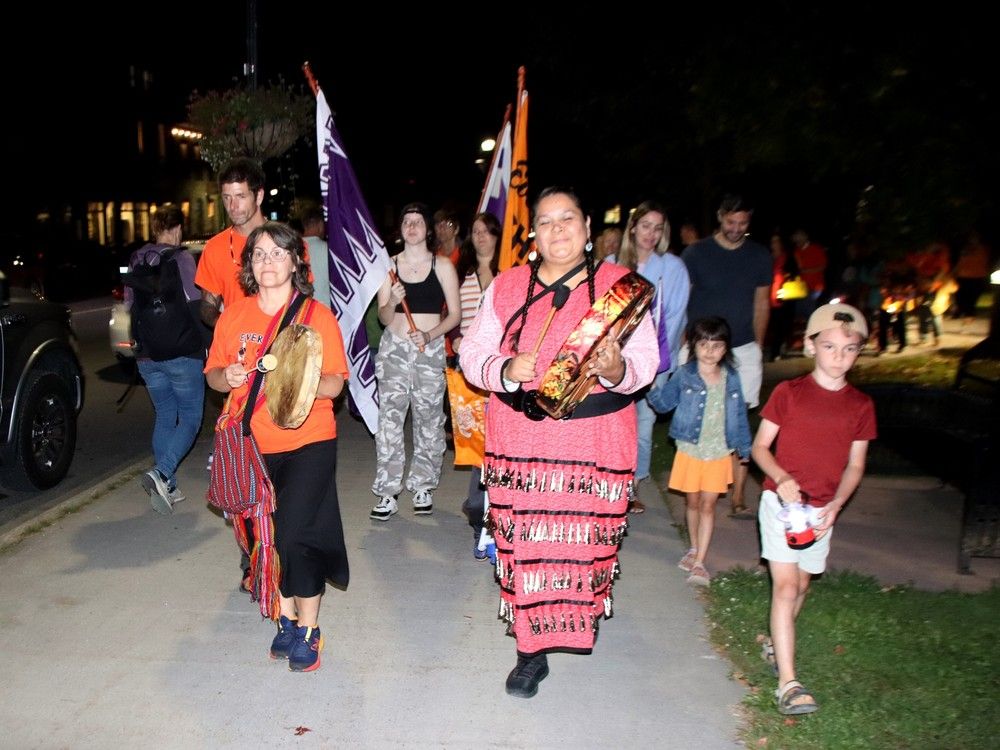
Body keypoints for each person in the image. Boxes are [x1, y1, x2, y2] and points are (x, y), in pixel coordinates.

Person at [460, 186, 659, 699]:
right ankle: (530, 651)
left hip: (594, 442)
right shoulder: (505, 288)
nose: (557, 230)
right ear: (533, 236)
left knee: (579, 547)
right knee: (526, 545)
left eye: (567, 219)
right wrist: (503, 368)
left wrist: (617, 369)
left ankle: (576, 617)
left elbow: (646, 362)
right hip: (521, 442)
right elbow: (471, 353)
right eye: (545, 222)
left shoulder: (622, 287)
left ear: (588, 226)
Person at [204, 221, 350, 673]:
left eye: (277, 253)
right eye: (259, 254)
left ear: (294, 262)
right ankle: (284, 621)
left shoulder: (316, 317)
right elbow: (212, 373)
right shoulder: (233, 315)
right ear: (249, 264)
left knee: (295, 534)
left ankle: (309, 630)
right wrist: (223, 377)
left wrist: (307, 382)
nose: (268, 261)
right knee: (264, 541)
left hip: (309, 441)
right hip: (252, 446)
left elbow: (335, 383)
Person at [751, 302, 876, 715]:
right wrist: (781, 476)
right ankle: (788, 682)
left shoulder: (860, 405)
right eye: (830, 346)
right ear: (811, 346)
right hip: (781, 504)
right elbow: (760, 448)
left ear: (859, 351)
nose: (839, 356)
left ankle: (775, 642)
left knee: (802, 587)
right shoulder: (789, 393)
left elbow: (856, 464)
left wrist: (838, 504)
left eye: (849, 349)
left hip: (821, 511)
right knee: (786, 587)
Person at [682, 194, 772, 518]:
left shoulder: (760, 256)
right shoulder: (697, 253)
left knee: (738, 421)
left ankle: (738, 496)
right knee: (698, 417)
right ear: (721, 217)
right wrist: (685, 342)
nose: (736, 228)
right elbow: (684, 298)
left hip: (743, 346)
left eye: (743, 223)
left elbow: (762, 304)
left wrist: (758, 347)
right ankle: (696, 489)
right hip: (701, 345)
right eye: (731, 222)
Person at [369, 203, 461, 520]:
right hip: (394, 347)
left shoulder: (443, 266)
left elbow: (456, 315)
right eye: (406, 221)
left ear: (427, 229)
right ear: (401, 228)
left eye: (418, 221)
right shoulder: (389, 267)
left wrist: (431, 335)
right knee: (390, 423)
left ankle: (422, 485)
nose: (412, 227)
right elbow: (382, 316)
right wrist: (392, 301)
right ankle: (387, 491)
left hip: (428, 348)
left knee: (429, 421)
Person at [647, 317, 751, 586]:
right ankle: (693, 548)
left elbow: (739, 414)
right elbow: (663, 404)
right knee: (692, 503)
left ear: (726, 348)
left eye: (717, 345)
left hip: (718, 451)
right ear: (694, 345)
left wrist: (745, 447)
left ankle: (700, 562)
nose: (710, 350)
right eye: (703, 344)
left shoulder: (732, 377)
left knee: (708, 505)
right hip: (690, 450)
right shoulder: (684, 374)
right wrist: (649, 386)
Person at [607, 200, 690, 513]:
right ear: (633, 227)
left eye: (658, 228)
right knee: (612, 422)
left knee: (643, 422)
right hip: (613, 358)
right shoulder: (613, 263)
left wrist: (656, 366)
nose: (651, 234)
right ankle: (609, 482)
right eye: (645, 226)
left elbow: (676, 317)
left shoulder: (672, 268)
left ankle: (633, 486)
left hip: (653, 360)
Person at [126, 205, 205, 514]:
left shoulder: (136, 259)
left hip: (147, 354)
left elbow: (130, 304)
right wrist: (207, 346)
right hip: (181, 352)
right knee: (190, 418)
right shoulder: (181, 258)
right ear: (177, 229)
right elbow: (196, 305)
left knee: (164, 414)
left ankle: (168, 486)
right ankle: (161, 472)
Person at [448, 212, 500, 560]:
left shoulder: (510, 275)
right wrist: (451, 342)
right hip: (468, 370)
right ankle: (477, 506)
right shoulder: (461, 274)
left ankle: (489, 509)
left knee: (496, 440)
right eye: (476, 231)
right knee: (473, 441)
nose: (480, 237)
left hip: (499, 370)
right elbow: (451, 317)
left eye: (486, 231)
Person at [196, 157, 268, 326]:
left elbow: (302, 298)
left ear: (259, 196)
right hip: (237, 348)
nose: (232, 206)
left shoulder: (285, 241)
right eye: (227, 198)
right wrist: (228, 326)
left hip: (279, 345)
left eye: (240, 196)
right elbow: (208, 305)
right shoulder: (215, 248)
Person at [791, 228, 828, 317]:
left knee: (810, 311)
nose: (797, 238)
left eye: (799, 235)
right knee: (799, 311)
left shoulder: (816, 249)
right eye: (796, 236)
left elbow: (823, 266)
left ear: (805, 237)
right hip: (800, 288)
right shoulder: (796, 251)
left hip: (815, 286)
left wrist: (808, 271)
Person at [301, 206, 330, 308]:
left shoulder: (293, 248)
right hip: (326, 312)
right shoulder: (328, 250)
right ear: (320, 225)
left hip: (300, 314)